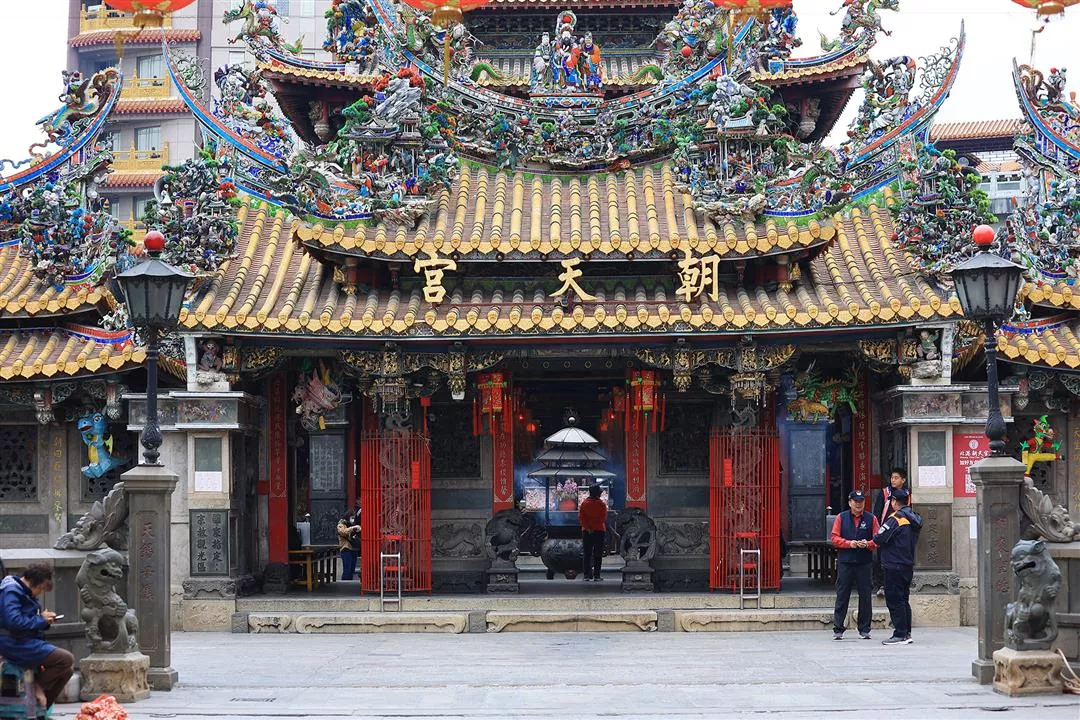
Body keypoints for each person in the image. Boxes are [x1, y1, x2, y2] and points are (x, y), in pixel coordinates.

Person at [0, 563, 74, 711]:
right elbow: (13, 621)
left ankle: (41, 709)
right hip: (13, 643)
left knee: (67, 670)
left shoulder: (24, 591)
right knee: (66, 659)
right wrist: (41, 620)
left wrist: (45, 621)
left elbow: (27, 619)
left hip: (26, 641)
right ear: (33, 582)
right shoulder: (11, 591)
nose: (40, 592)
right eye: (40, 588)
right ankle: (37, 687)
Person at [873, 487, 923, 645]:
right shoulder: (913, 517)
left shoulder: (895, 518)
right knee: (903, 599)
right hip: (907, 564)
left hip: (893, 564)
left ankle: (900, 633)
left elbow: (879, 537)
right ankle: (906, 633)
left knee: (894, 600)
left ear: (894, 502)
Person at [830, 489, 879, 640]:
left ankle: (864, 629)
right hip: (846, 562)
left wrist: (868, 543)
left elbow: (878, 539)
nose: (859, 504)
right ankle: (838, 628)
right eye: (856, 501)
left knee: (865, 596)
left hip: (864, 562)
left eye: (861, 501)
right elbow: (834, 538)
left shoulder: (871, 518)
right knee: (842, 594)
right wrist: (849, 543)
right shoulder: (841, 517)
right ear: (850, 502)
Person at [872, 468, 910, 596]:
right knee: (882, 558)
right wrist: (877, 530)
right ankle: (881, 585)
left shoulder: (908, 494)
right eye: (892, 477)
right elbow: (877, 512)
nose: (893, 480)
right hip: (886, 530)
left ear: (903, 480)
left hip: (902, 531)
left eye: (896, 478)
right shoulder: (885, 493)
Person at [579, 484, 608, 581]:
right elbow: (602, 518)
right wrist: (594, 527)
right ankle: (597, 575)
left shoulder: (584, 504)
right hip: (599, 531)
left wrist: (588, 528)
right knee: (598, 554)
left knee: (587, 553)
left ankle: (586, 575)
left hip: (586, 531)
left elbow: (581, 518)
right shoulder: (602, 504)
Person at [336, 505, 361, 582]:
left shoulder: (354, 524)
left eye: (353, 517)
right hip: (346, 548)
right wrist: (353, 528)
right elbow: (342, 532)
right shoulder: (341, 524)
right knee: (347, 569)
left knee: (351, 569)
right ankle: (344, 583)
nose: (352, 519)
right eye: (351, 517)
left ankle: (349, 582)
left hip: (354, 548)